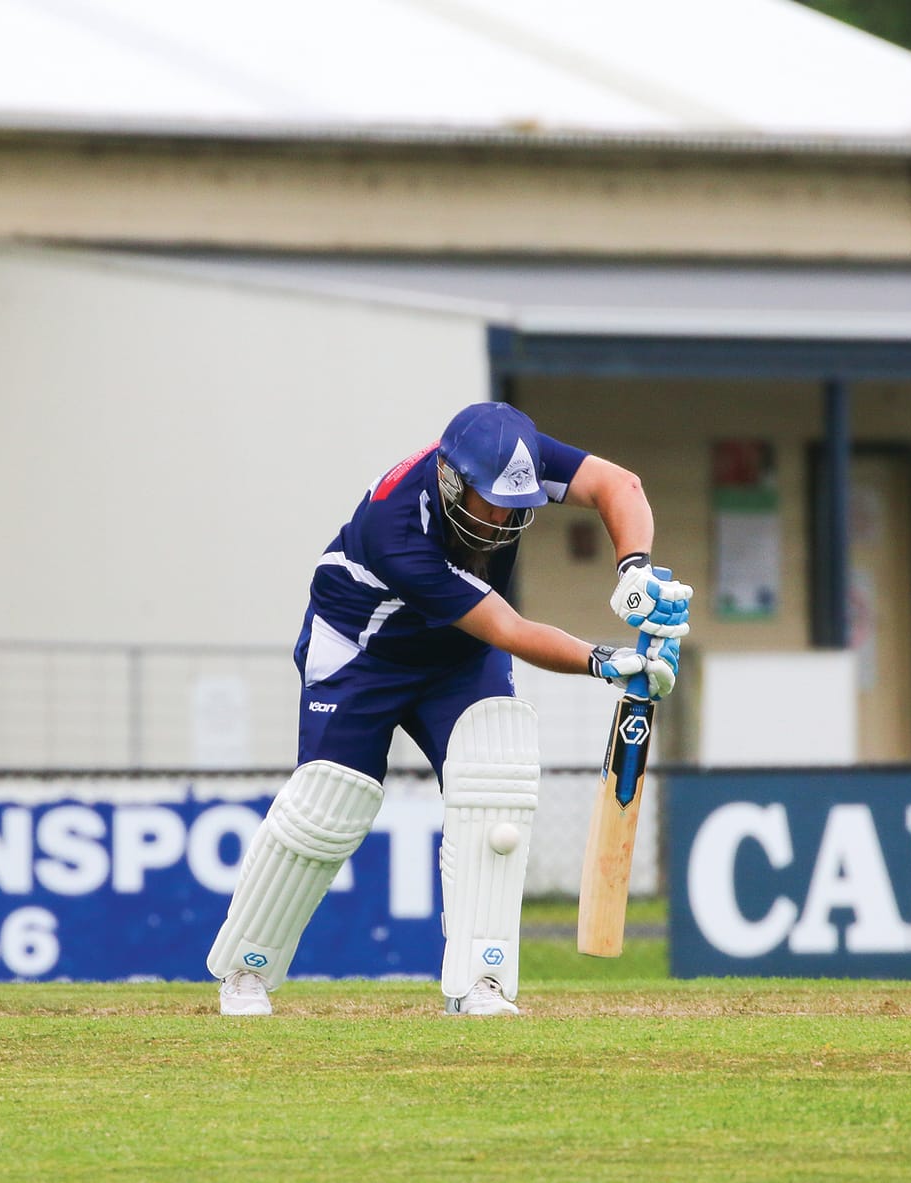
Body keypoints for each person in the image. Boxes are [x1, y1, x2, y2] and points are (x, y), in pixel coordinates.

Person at [207, 402, 692, 1016]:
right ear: (449, 479)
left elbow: (619, 485)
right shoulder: (396, 529)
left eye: (516, 506)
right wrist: (602, 659)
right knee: (330, 802)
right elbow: (508, 628)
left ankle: (478, 981)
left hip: (458, 654)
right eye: (488, 502)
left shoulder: (518, 461)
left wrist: (634, 570)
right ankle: (246, 971)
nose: (502, 519)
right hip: (362, 650)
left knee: (497, 780)